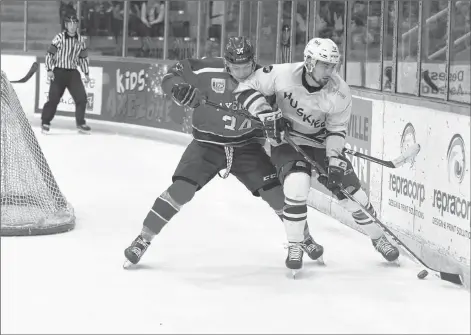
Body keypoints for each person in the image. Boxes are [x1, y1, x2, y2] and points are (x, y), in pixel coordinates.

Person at [123, 36, 324, 271]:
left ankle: (304, 238)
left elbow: (284, 112)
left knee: (277, 195)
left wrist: (279, 124)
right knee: (181, 189)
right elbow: (170, 75)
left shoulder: (267, 79)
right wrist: (178, 89)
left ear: (254, 61)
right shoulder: (207, 69)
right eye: (235, 67)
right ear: (226, 64)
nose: (241, 72)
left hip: (247, 147)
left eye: (246, 66)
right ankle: (143, 239)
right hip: (207, 144)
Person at [234, 37, 400, 271]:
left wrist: (333, 160)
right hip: (288, 142)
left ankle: (379, 237)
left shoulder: (340, 92)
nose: (330, 70)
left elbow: (336, 129)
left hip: (321, 144)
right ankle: (295, 244)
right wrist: (267, 115)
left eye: (333, 65)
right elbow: (245, 87)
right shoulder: (282, 74)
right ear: (310, 62)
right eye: (325, 64)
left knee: (353, 196)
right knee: (296, 185)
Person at [41, 13, 91, 134]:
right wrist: (49, 69)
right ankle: (45, 122)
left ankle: (80, 123)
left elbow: (83, 58)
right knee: (53, 99)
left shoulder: (81, 40)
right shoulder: (59, 38)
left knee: (82, 98)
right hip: (59, 72)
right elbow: (50, 54)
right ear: (66, 25)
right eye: (70, 24)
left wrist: (86, 73)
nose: (73, 26)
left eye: (75, 24)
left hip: (73, 72)